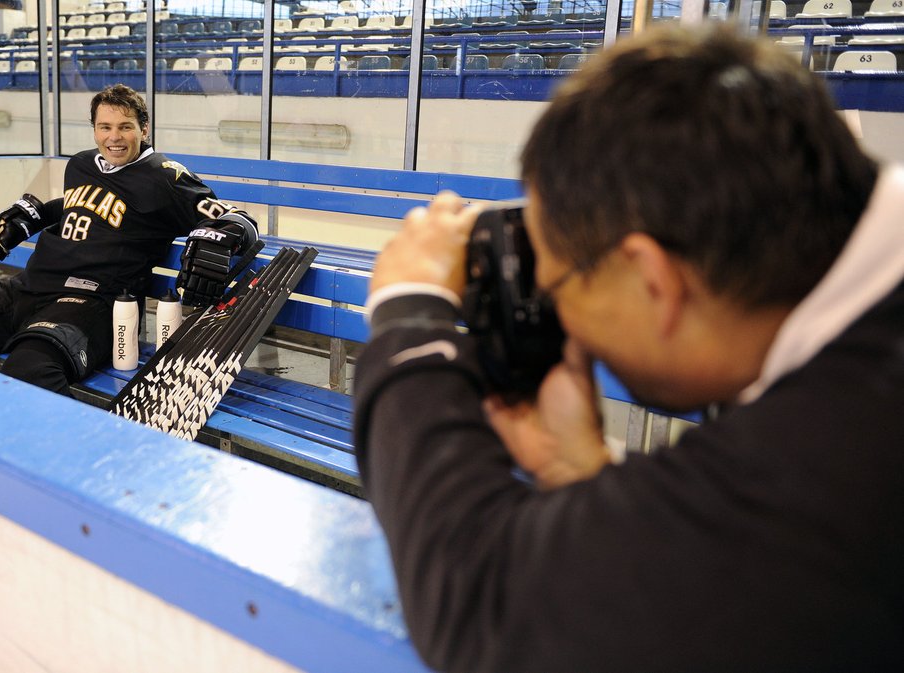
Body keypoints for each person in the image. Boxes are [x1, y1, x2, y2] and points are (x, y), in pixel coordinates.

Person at [353, 25, 902, 673]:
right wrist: (580, 471)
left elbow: (488, 596)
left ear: (654, 279)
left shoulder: (833, 452)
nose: (567, 324)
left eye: (560, 286)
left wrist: (409, 315)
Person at [0, 84, 258, 397]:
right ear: (94, 129)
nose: (114, 137)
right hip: (26, 290)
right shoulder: (80, 164)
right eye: (105, 127)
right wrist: (32, 216)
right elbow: (73, 204)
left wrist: (223, 237)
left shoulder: (165, 177)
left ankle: (67, 469)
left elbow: (235, 217)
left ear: (144, 129)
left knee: (28, 373)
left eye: (125, 127)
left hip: (92, 303)